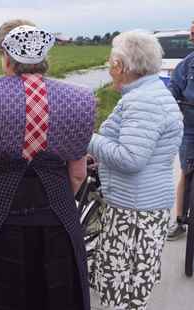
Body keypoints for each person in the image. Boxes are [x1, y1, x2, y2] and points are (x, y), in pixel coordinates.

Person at [0, 19, 96, 310]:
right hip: (55, 223)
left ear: (6, 58)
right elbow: (78, 173)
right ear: (45, 59)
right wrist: (57, 200)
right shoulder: (79, 99)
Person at [88, 31, 183, 310]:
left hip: (135, 212)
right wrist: (101, 155)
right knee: (129, 287)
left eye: (110, 62)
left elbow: (131, 158)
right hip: (139, 205)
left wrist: (87, 139)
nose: (108, 67)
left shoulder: (144, 101)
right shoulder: (148, 93)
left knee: (123, 290)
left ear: (121, 66)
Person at [167, 20, 194, 241]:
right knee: (186, 172)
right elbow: (172, 89)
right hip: (190, 127)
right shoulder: (186, 65)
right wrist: (171, 101)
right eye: (192, 34)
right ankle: (179, 221)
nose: (192, 38)